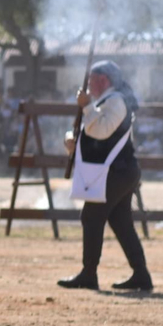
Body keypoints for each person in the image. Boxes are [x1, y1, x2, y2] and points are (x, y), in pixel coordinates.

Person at [59, 61, 151, 292]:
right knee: (120, 221)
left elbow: (101, 131)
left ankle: (89, 274)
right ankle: (141, 274)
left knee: (91, 216)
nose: (89, 84)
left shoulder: (116, 101)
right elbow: (94, 134)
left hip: (118, 171)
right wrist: (75, 143)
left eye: (92, 79)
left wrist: (87, 106)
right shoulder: (106, 101)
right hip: (118, 171)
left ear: (103, 80)